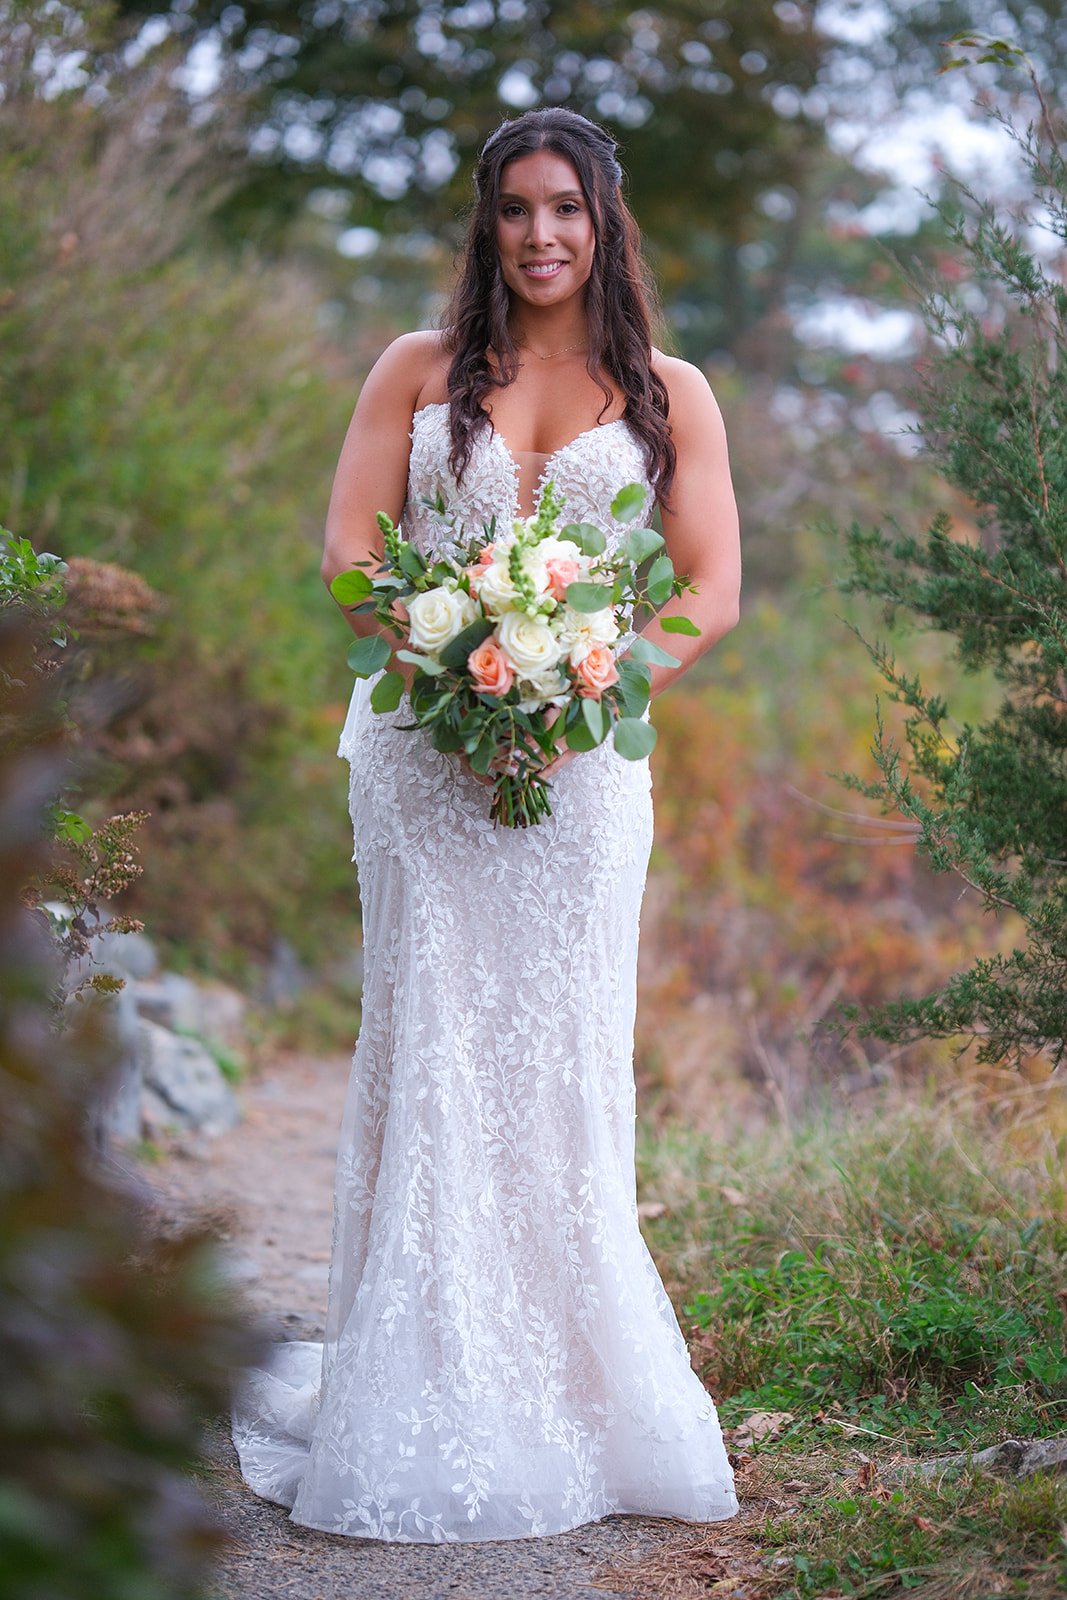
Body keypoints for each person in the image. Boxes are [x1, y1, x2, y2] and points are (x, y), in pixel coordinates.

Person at [231, 106, 742, 1544]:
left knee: (558, 1051)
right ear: (485, 222)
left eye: (565, 208)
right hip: (418, 762)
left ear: (605, 220)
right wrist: (437, 659)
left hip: (584, 771)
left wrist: (594, 671)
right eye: (515, 209)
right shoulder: (415, 371)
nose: (540, 236)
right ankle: (425, 1369)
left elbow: (709, 585)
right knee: (436, 1041)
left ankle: (573, 1386)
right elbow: (347, 555)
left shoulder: (668, 393)